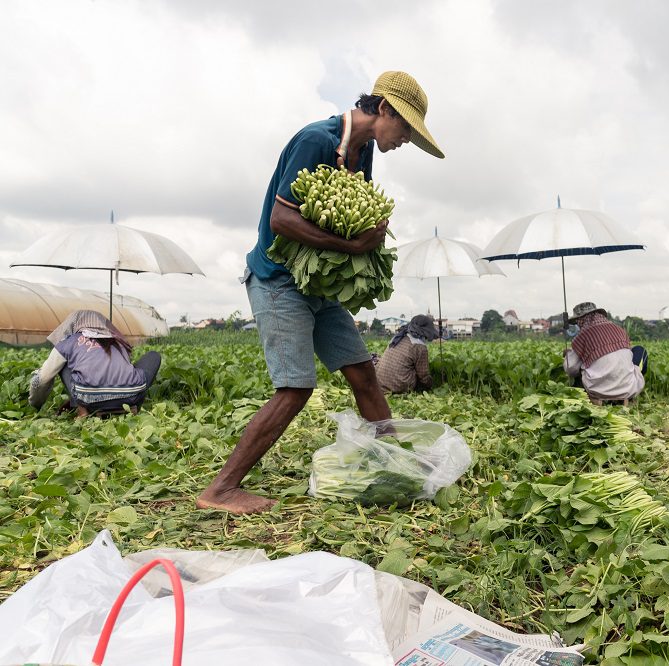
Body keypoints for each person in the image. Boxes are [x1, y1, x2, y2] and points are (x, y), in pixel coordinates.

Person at [197, 71, 444, 514]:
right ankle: (221, 490)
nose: (406, 139)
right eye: (406, 127)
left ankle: (397, 461)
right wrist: (351, 245)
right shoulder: (316, 139)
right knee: (295, 387)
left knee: (363, 374)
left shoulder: (363, 150)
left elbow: (339, 213)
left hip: (317, 285)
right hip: (278, 280)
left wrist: (364, 241)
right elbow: (282, 220)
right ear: (384, 109)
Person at [28, 310, 161, 417]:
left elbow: (43, 378)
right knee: (153, 356)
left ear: (75, 324)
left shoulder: (69, 341)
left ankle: (82, 410)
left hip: (89, 399)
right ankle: (133, 408)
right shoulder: (117, 341)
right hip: (130, 396)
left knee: (63, 363)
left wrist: (35, 404)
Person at [562, 302, 647, 403]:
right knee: (640, 351)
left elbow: (570, 369)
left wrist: (569, 354)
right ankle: (628, 399)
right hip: (629, 388)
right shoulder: (619, 330)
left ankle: (591, 400)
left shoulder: (581, 337)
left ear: (580, 320)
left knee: (579, 365)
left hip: (597, 391)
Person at [375, 314, 437, 394]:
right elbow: (423, 376)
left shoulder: (397, 337)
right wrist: (432, 385)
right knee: (418, 371)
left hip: (379, 385)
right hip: (398, 387)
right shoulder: (419, 346)